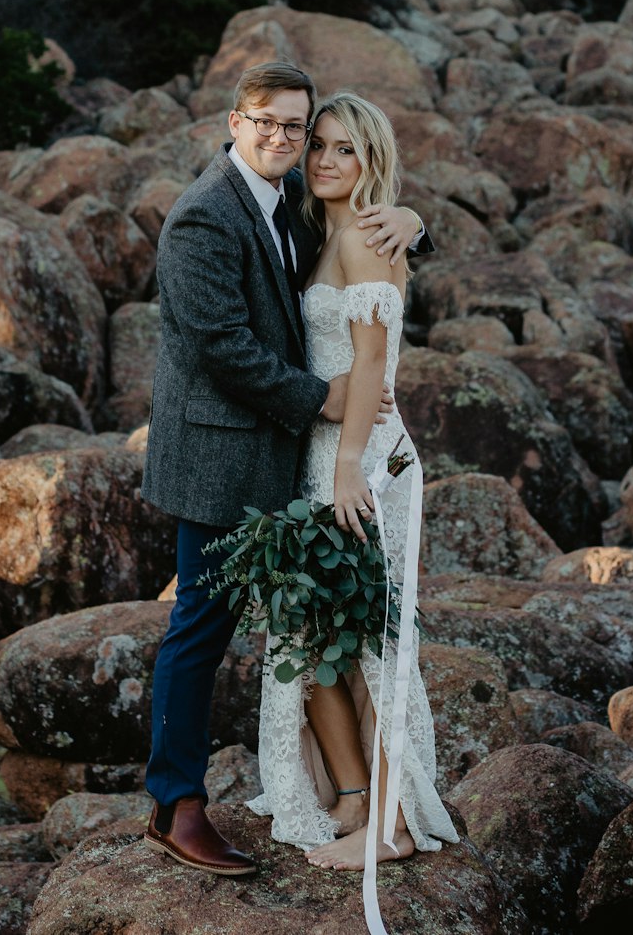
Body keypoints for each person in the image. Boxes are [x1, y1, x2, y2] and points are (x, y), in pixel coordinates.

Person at [141, 62, 426, 877]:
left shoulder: (289, 204)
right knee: (200, 628)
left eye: (294, 128)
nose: (281, 138)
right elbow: (221, 348)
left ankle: (358, 795)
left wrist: (410, 217)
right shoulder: (204, 217)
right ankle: (175, 805)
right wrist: (323, 402)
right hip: (220, 460)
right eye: (264, 122)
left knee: (316, 631)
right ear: (235, 121)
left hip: (283, 459)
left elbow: (360, 243)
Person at [247, 91, 458, 886]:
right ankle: (351, 796)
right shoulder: (318, 231)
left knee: (374, 640)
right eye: (321, 147)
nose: (328, 161)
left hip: (365, 463)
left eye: (346, 150)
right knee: (314, 637)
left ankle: (396, 826)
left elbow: (372, 366)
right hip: (319, 453)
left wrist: (347, 467)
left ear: (373, 161)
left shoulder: (371, 237)